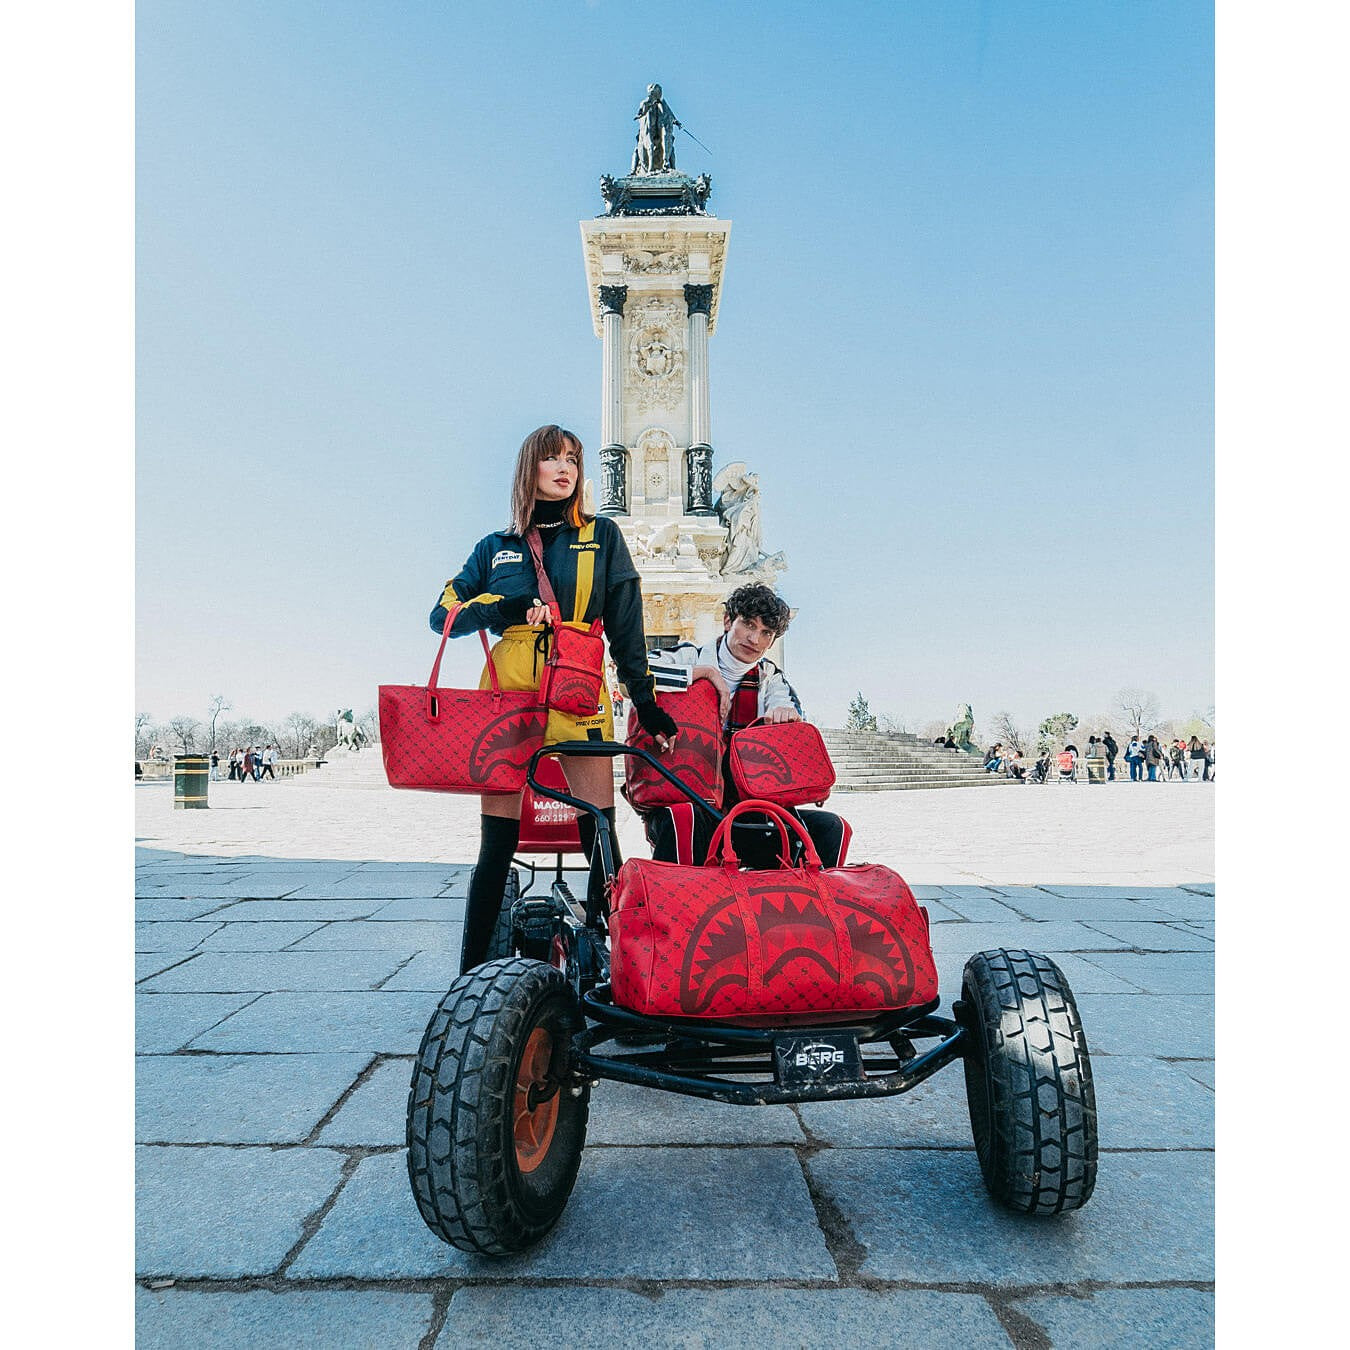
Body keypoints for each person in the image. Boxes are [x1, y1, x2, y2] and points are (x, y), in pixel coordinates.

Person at [429, 424, 678, 974]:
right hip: (506, 697)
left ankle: (613, 964)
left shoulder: (601, 535)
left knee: (600, 834)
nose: (565, 468)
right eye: (552, 458)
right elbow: (441, 616)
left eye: (572, 458)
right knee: (497, 845)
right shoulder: (494, 549)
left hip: (578, 687)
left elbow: (627, 627)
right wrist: (505, 608)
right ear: (529, 469)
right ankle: (470, 976)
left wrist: (646, 700)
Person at [640, 584, 848, 869]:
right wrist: (703, 674)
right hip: (692, 802)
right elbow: (633, 675)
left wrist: (783, 715)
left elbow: (784, 706)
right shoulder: (689, 657)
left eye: (766, 633)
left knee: (830, 828)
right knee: (683, 818)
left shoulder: (770, 679)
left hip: (749, 808)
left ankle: (794, 907)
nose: (754, 638)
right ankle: (677, 906)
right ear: (728, 621)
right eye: (748, 624)